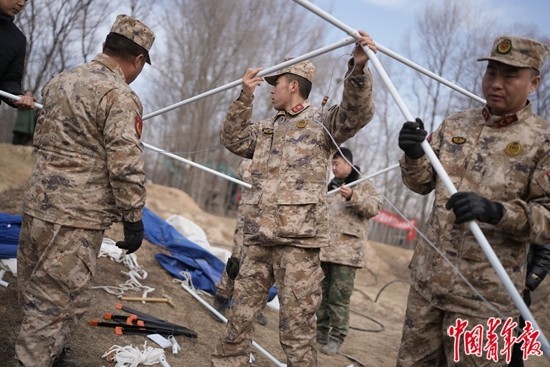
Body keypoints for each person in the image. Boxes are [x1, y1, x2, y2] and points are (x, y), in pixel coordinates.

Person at [211, 30, 377, 367]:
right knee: (239, 318)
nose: (271, 88)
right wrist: (244, 97)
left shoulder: (321, 123)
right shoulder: (267, 126)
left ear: (294, 85)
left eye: (277, 81)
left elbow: (355, 115)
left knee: (297, 329)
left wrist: (357, 71)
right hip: (259, 239)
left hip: (298, 244)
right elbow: (233, 139)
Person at [396, 35, 550, 367]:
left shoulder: (543, 142)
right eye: (491, 72)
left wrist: (497, 212)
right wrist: (412, 154)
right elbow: (422, 183)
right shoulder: (455, 124)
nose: (496, 83)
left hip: (485, 302)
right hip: (427, 287)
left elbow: (547, 220)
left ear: (534, 83)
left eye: (510, 76)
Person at [15, 14, 155, 367]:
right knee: (53, 300)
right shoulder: (119, 95)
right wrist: (133, 217)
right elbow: (125, 164)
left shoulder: (60, 81)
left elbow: (41, 140)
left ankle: (53, 351)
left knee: (42, 290)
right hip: (76, 217)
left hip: (38, 203)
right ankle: (33, 358)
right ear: (137, 59)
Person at [317, 147, 382, 355]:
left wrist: (354, 196)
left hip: (347, 254)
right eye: (332, 164)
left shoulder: (363, 184)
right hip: (325, 250)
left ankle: (337, 336)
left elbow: (374, 208)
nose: (333, 168)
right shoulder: (330, 187)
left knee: (338, 298)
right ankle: (320, 331)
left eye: (336, 164)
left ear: (348, 163)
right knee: (321, 295)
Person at [212, 158, 268, 326]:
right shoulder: (255, 154)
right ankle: (222, 296)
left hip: (268, 218)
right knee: (237, 257)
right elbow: (244, 172)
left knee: (261, 263)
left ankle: (251, 304)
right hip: (248, 216)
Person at [508, 243, 550, 367]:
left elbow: (546, 251)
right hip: (481, 289)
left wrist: (528, 283)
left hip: (517, 293)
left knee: (513, 349)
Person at [0, 0, 34, 109]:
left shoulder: (17, 39)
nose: (21, 4)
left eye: (26, 0)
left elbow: (10, 79)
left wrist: (16, 96)